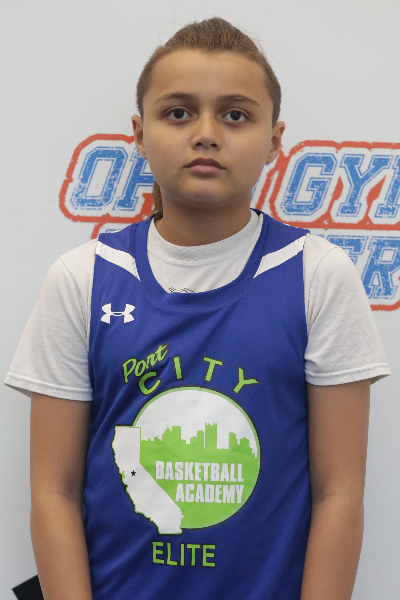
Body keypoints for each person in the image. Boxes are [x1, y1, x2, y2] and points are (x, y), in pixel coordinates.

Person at [5, 17, 390, 600]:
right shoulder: (83, 277)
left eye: (235, 115)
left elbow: (339, 494)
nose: (206, 134)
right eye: (179, 112)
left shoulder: (318, 275)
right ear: (139, 134)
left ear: (275, 140)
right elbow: (53, 492)